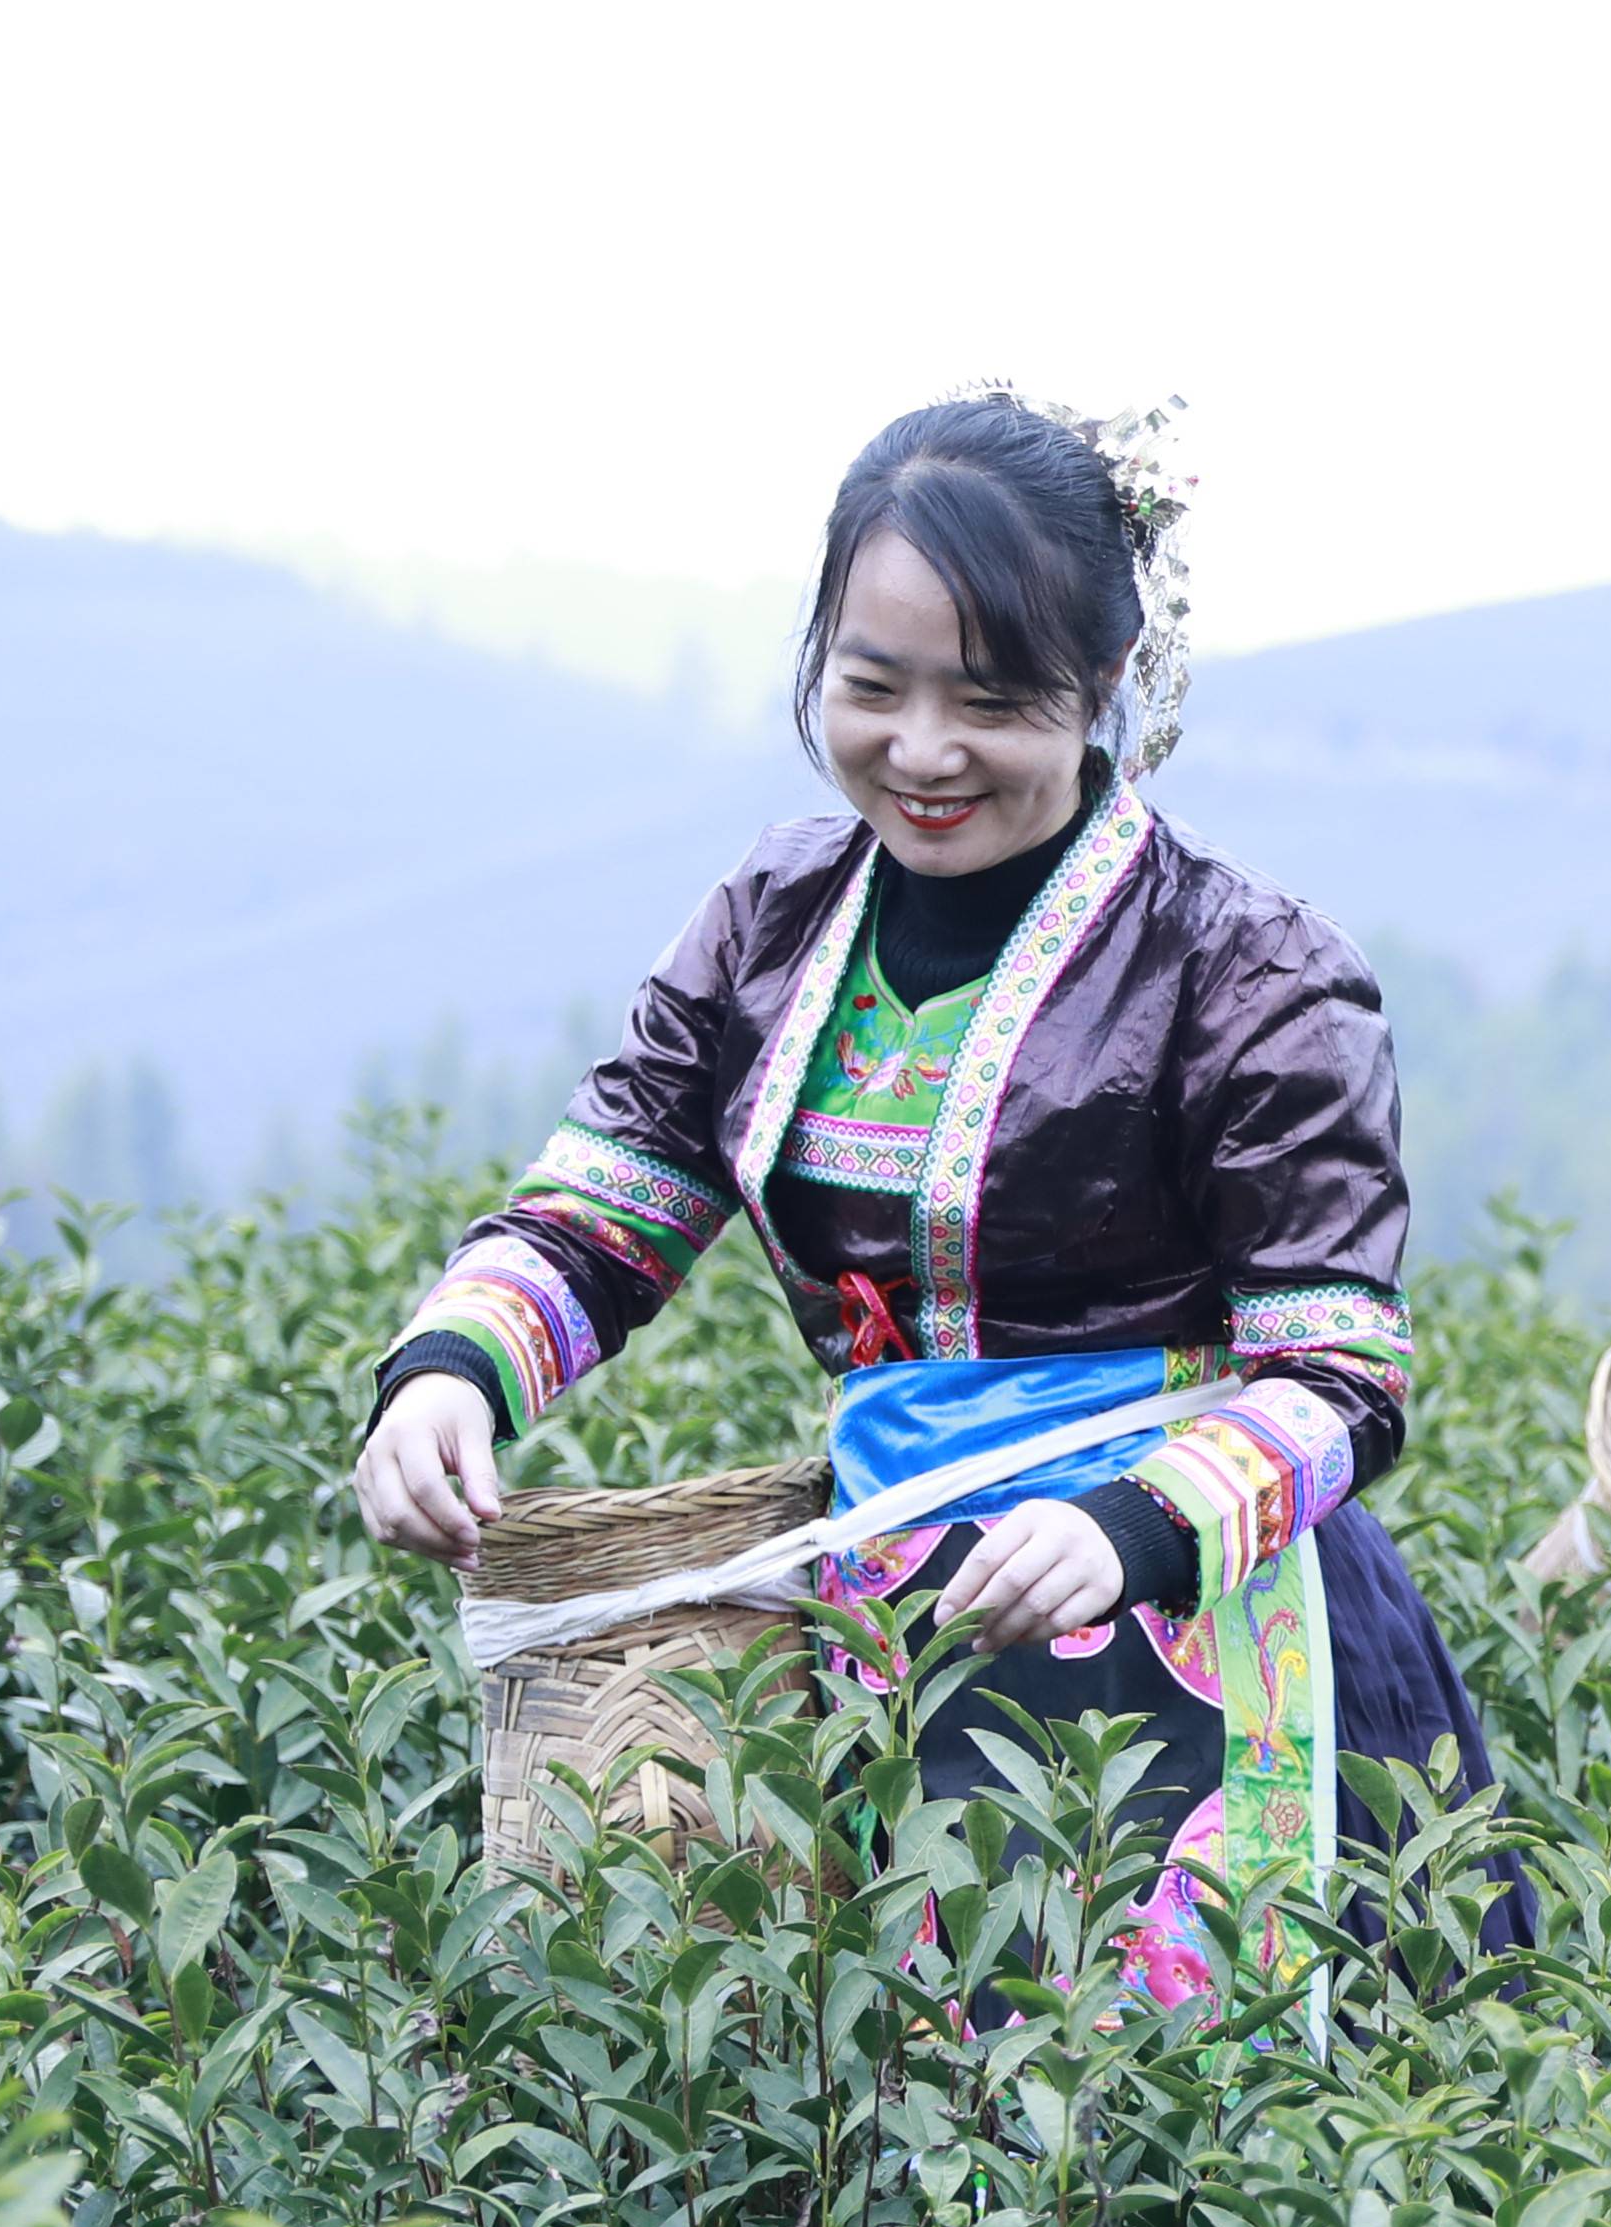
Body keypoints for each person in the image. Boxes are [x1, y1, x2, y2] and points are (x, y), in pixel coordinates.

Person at [346, 388, 1498, 2000]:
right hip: (884, 1614)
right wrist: (449, 1373)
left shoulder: (1248, 972)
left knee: (1188, 2093)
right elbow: (605, 1210)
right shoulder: (773, 921)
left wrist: (1135, 1525)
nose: (925, 752)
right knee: (898, 2088)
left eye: (994, 701)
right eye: (873, 686)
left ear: (1104, 681)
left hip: (1203, 1624)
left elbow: (1342, 1374)